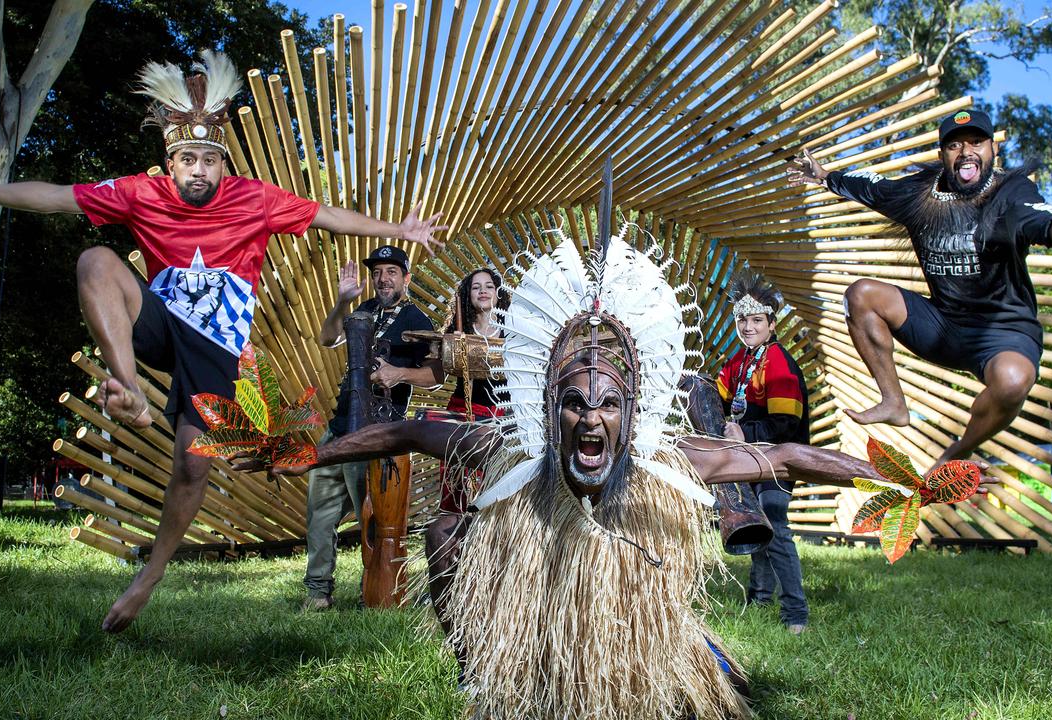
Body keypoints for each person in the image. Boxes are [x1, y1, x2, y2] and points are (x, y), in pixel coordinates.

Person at [235, 233, 994, 720]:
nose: (591, 419)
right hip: (536, 635)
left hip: (635, 642)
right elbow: (401, 428)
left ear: (633, 410)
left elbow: (793, 456)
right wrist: (298, 454)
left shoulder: (669, 460)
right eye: (574, 404)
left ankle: (684, 663)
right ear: (549, 409)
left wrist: (910, 486)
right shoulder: (512, 453)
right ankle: (489, 683)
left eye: (607, 404)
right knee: (444, 533)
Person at [0, 51, 447, 633]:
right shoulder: (141, 193)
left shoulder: (255, 198)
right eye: (187, 159)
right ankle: (128, 389)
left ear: (223, 164)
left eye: (209, 160)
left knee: (192, 468)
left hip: (215, 351)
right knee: (95, 261)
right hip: (161, 326)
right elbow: (60, 196)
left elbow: (326, 216)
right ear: (170, 161)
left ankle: (150, 575)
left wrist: (396, 230)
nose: (199, 169)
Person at [785, 108, 1052, 470]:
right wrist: (824, 177)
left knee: (1013, 382)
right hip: (943, 327)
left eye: (976, 142)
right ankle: (893, 402)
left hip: (1003, 331)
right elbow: (872, 188)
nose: (966, 151)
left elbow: (1035, 217)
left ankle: (957, 453)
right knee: (861, 295)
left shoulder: (1011, 190)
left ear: (991, 150)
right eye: (954, 145)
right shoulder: (920, 193)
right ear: (942, 156)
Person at [370, 268, 510, 634]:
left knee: (498, 502)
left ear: (498, 293)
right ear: (467, 295)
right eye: (476, 287)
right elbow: (435, 376)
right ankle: (457, 574)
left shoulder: (515, 331)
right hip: (465, 418)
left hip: (504, 423)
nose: (483, 292)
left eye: (489, 287)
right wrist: (399, 374)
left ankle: (500, 577)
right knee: (459, 505)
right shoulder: (456, 334)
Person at [302, 244, 435, 610]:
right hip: (341, 424)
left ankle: (375, 591)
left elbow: (437, 375)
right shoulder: (363, 311)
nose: (383, 278)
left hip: (378, 429)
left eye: (391, 271)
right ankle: (317, 592)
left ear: (406, 278)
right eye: (377, 272)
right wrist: (342, 302)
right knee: (320, 509)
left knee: (372, 515)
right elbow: (328, 338)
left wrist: (399, 373)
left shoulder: (416, 321)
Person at [716, 270, 810, 634]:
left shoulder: (779, 363)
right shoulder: (739, 362)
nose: (748, 326)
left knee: (776, 526)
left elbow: (786, 423)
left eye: (756, 320)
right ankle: (758, 599)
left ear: (772, 324)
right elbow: (720, 396)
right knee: (756, 526)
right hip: (751, 458)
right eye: (742, 319)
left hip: (781, 459)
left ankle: (796, 614)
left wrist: (744, 431)